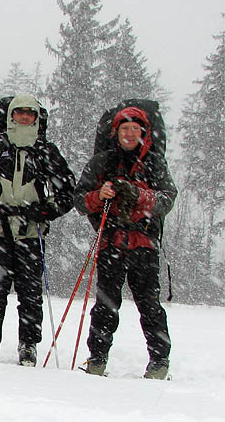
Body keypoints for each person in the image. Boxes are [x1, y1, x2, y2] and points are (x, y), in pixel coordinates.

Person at [0, 95, 75, 365]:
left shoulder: (45, 150)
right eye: (20, 113)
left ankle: (28, 344)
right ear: (10, 115)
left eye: (30, 114)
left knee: (30, 292)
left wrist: (44, 210)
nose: (25, 118)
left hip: (30, 231)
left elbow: (67, 191)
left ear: (37, 118)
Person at [75, 105, 177, 379]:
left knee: (149, 304)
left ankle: (159, 361)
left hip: (142, 244)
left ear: (144, 132)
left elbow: (167, 199)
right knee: (106, 305)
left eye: (135, 129)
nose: (130, 134)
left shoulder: (154, 162)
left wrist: (139, 195)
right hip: (112, 242)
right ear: (116, 132)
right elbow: (80, 200)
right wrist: (101, 194)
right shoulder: (102, 162)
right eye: (125, 129)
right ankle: (97, 359)